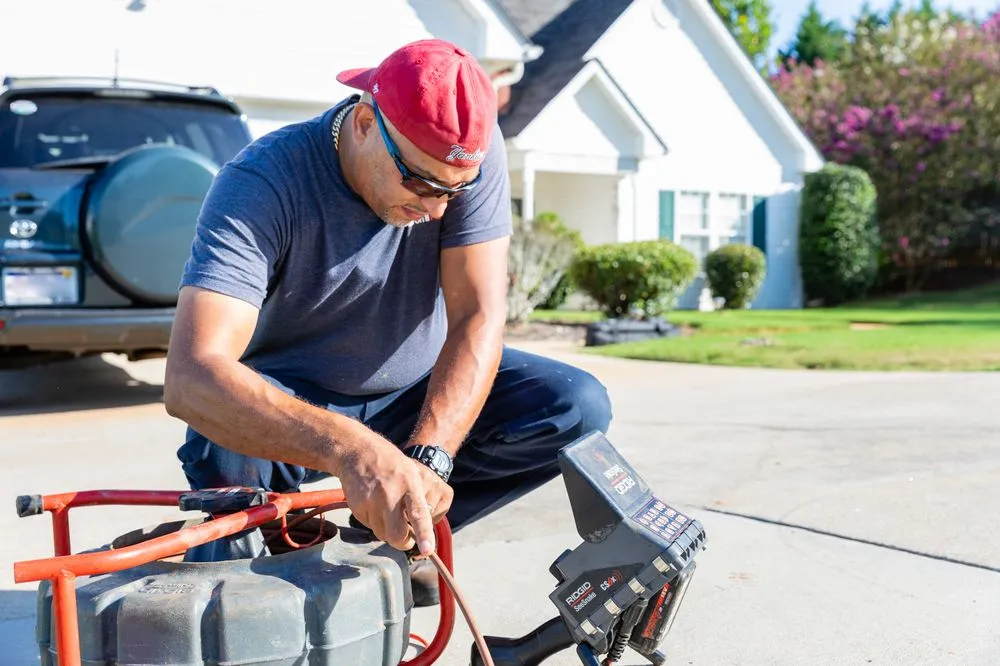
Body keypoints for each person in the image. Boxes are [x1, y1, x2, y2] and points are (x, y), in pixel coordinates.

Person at [163, 39, 613, 606]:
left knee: (575, 405)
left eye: (456, 190)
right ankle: (284, 559)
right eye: (421, 183)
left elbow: (477, 316)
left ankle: (387, 543)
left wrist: (429, 459)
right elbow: (191, 376)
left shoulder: (465, 157)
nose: (438, 209)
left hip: (416, 385)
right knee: (223, 449)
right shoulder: (262, 182)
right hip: (296, 392)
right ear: (363, 124)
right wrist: (352, 450)